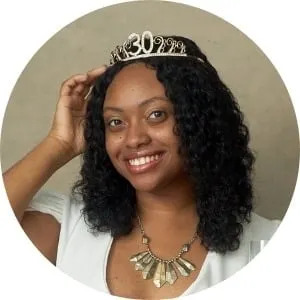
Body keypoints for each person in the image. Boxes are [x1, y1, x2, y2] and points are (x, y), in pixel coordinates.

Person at [3, 31, 280, 299]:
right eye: (115, 122)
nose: (133, 139)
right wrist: (59, 143)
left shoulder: (269, 244)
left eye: (156, 114)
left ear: (199, 122)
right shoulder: (68, 228)